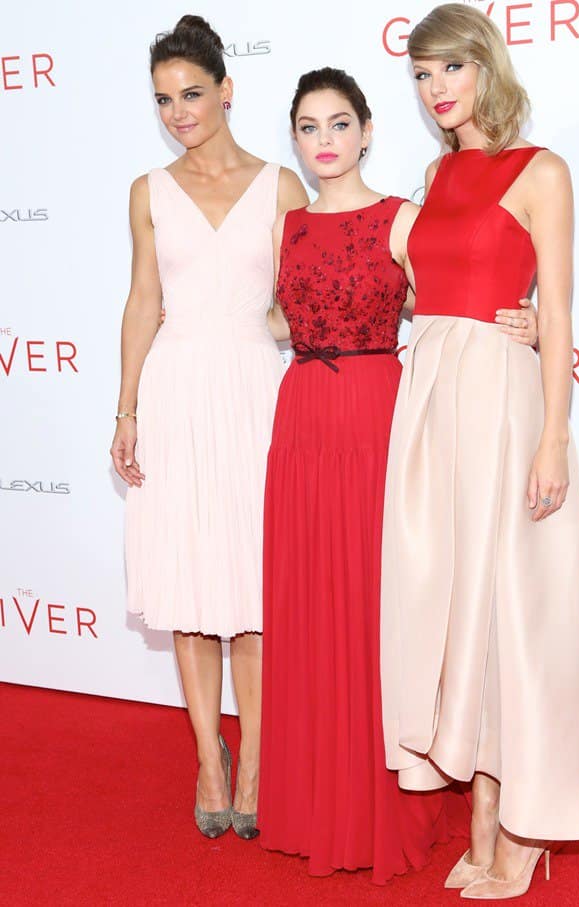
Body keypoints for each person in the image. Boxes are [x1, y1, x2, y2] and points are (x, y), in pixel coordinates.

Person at [258, 67, 538, 884]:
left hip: (381, 416)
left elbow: (460, 293)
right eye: (308, 128)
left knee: (380, 613)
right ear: (297, 140)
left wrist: (533, 318)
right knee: (309, 606)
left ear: (369, 130)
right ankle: (314, 808)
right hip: (303, 418)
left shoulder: (403, 218)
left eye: (339, 124)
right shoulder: (286, 226)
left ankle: (383, 808)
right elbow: (276, 314)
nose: (325, 142)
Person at [380, 4, 579, 899]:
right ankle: (480, 812)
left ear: (485, 67)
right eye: (422, 76)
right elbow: (424, 296)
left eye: (450, 69)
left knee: (516, 613)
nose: (438, 89)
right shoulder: (434, 178)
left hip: (509, 411)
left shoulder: (541, 171)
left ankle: (524, 823)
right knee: (457, 615)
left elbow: (554, 312)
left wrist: (554, 436)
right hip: (433, 405)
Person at [109, 15, 307, 840]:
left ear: (228, 90)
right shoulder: (147, 191)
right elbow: (144, 302)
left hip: (258, 390)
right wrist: (125, 409)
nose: (178, 111)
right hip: (177, 389)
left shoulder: (282, 187)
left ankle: (256, 760)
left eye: (192, 94)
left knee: (252, 591)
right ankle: (208, 757)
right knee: (190, 588)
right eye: (164, 100)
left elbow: (303, 303)